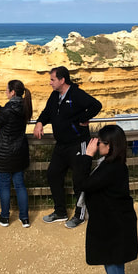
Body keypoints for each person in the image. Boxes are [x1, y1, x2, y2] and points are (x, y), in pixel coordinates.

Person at [81, 125, 138, 274]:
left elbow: (82, 184)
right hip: (112, 228)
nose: (97, 145)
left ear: (111, 146)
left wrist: (86, 157)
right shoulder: (110, 164)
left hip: (116, 231)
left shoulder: (111, 169)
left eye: (100, 143)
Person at [32, 66, 102, 228]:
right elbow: (47, 112)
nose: (50, 83)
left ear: (62, 80)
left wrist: (82, 119)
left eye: (52, 80)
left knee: (79, 179)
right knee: (53, 174)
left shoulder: (76, 94)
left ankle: (79, 215)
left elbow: (96, 105)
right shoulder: (55, 95)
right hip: (61, 145)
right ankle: (60, 211)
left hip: (78, 143)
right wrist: (40, 123)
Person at [0, 80, 34, 228]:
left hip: (5, 153)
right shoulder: (23, 106)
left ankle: (5, 217)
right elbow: (5, 115)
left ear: (12, 92)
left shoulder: (10, 109)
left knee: (4, 184)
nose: (5, 92)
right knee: (20, 185)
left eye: (7, 90)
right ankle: (24, 218)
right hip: (19, 152)